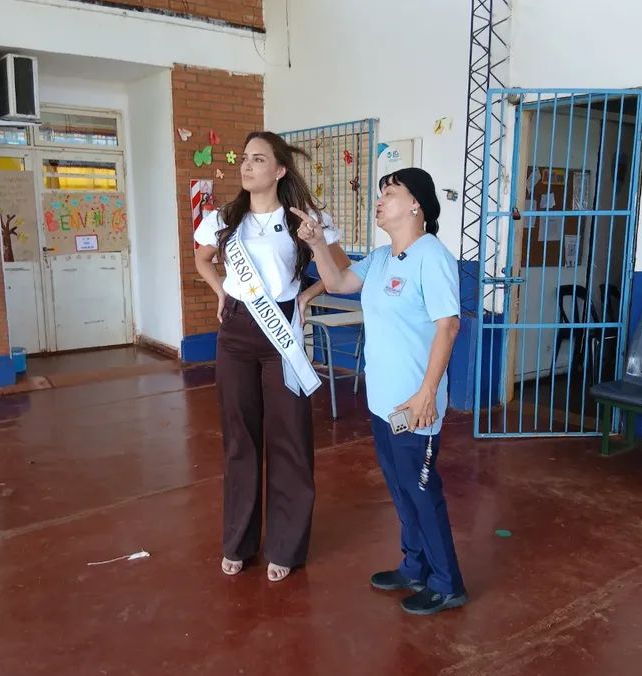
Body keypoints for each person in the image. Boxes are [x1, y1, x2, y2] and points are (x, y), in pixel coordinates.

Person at [291, 168, 466, 615]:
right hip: (382, 403)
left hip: (415, 404)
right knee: (401, 488)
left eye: (391, 192)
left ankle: (447, 583)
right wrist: (317, 244)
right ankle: (414, 567)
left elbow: (448, 326)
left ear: (416, 204)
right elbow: (338, 283)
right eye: (381, 192)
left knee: (422, 490)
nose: (380, 199)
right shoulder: (382, 257)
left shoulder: (432, 257)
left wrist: (428, 393)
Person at [194, 131, 349, 582]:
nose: (246, 166)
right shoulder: (225, 218)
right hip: (237, 331)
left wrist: (306, 297)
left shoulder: (306, 218)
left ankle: (286, 545)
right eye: (244, 158)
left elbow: (338, 269)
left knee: (290, 438)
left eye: (258, 159)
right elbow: (203, 259)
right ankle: (238, 542)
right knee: (239, 440)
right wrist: (220, 291)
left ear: (280, 170)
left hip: (283, 330)